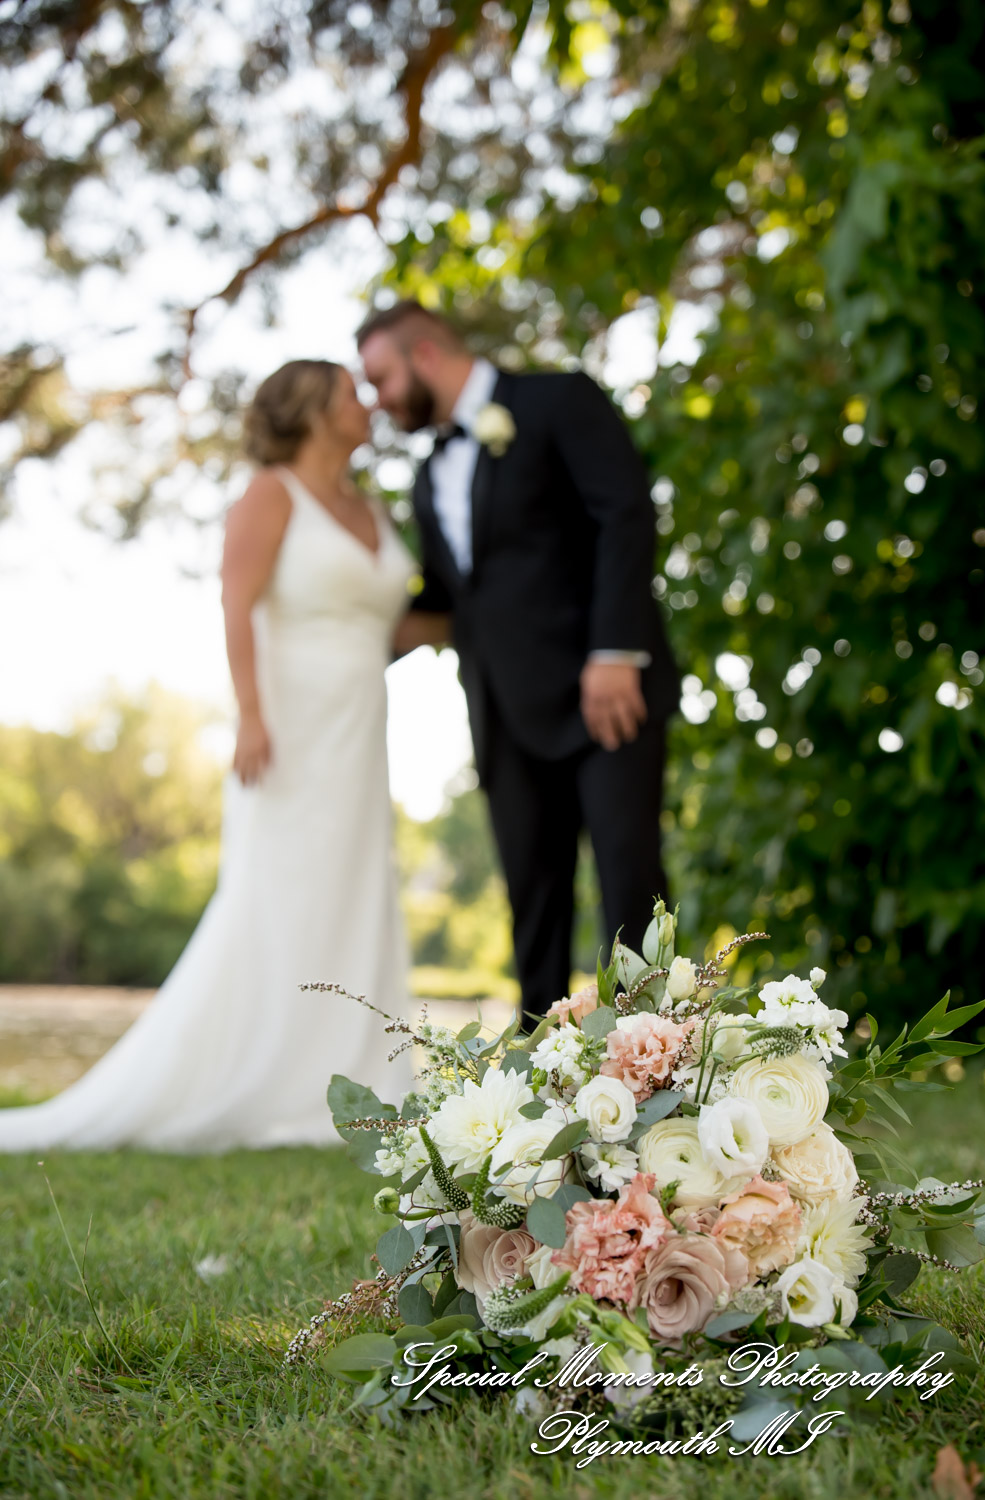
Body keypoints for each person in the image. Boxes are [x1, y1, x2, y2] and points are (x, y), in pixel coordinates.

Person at [0, 359, 435, 1153]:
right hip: (290, 726)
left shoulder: (368, 506)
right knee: (281, 894)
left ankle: (355, 1072)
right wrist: (251, 714)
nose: (365, 404)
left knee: (355, 886)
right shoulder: (271, 495)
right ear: (311, 410)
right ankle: (266, 1076)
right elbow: (237, 602)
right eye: (349, 392)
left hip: (361, 727)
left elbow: (387, 624)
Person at [358, 302, 680, 1027]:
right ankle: (542, 1071)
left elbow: (622, 512)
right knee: (531, 900)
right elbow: (447, 597)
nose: (376, 400)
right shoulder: (424, 477)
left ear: (427, 356)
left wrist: (614, 652)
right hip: (501, 710)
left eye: (380, 378)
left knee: (631, 887)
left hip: (605, 691)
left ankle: (657, 1065)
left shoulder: (556, 399)